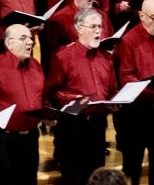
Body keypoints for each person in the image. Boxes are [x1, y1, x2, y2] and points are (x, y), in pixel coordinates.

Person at [46, 9, 118, 185]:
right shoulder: (63, 57)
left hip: (98, 125)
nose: (98, 31)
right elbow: (52, 91)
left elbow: (112, 89)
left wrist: (115, 101)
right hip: (73, 125)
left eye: (100, 27)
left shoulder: (106, 58)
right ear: (79, 28)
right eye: (93, 26)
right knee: (74, 176)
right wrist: (73, 99)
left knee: (96, 176)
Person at [113, 0, 154, 185]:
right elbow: (126, 77)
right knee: (132, 164)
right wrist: (152, 94)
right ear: (141, 15)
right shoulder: (128, 40)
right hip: (137, 113)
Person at [0, 24, 46, 185]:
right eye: (23, 38)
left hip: (31, 138)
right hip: (3, 140)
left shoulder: (36, 65)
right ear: (9, 43)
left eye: (30, 38)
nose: (30, 42)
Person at [40, 0, 113, 75]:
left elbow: (111, 41)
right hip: (76, 72)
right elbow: (50, 55)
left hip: (100, 69)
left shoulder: (102, 16)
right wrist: (69, 48)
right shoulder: (58, 19)